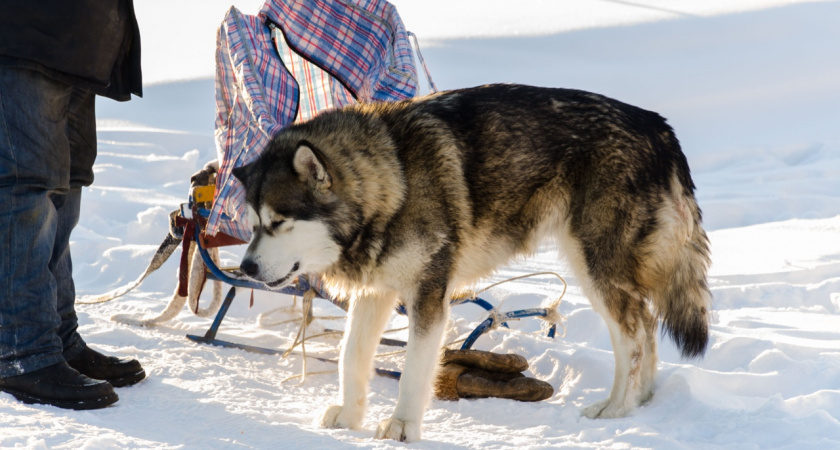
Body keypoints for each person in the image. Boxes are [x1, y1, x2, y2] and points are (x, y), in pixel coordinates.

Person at [0, 0, 146, 410]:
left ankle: (57, 336)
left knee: (67, 182)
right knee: (24, 184)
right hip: (23, 30)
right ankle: (21, 349)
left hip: (82, 39)